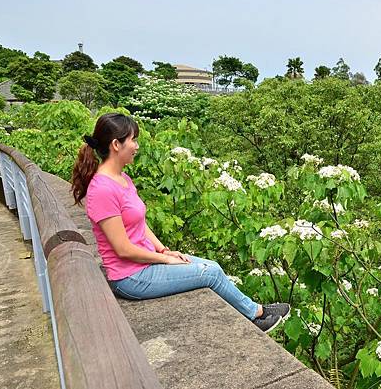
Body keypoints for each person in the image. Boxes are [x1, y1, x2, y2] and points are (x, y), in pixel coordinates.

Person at [71, 113, 289, 332]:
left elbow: (139, 224)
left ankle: (256, 311)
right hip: (130, 277)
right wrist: (164, 260)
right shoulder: (102, 189)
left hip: (145, 263)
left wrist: (164, 250)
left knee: (213, 266)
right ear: (116, 144)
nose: (137, 146)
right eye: (133, 140)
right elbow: (123, 249)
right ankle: (256, 315)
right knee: (209, 274)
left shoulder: (123, 179)